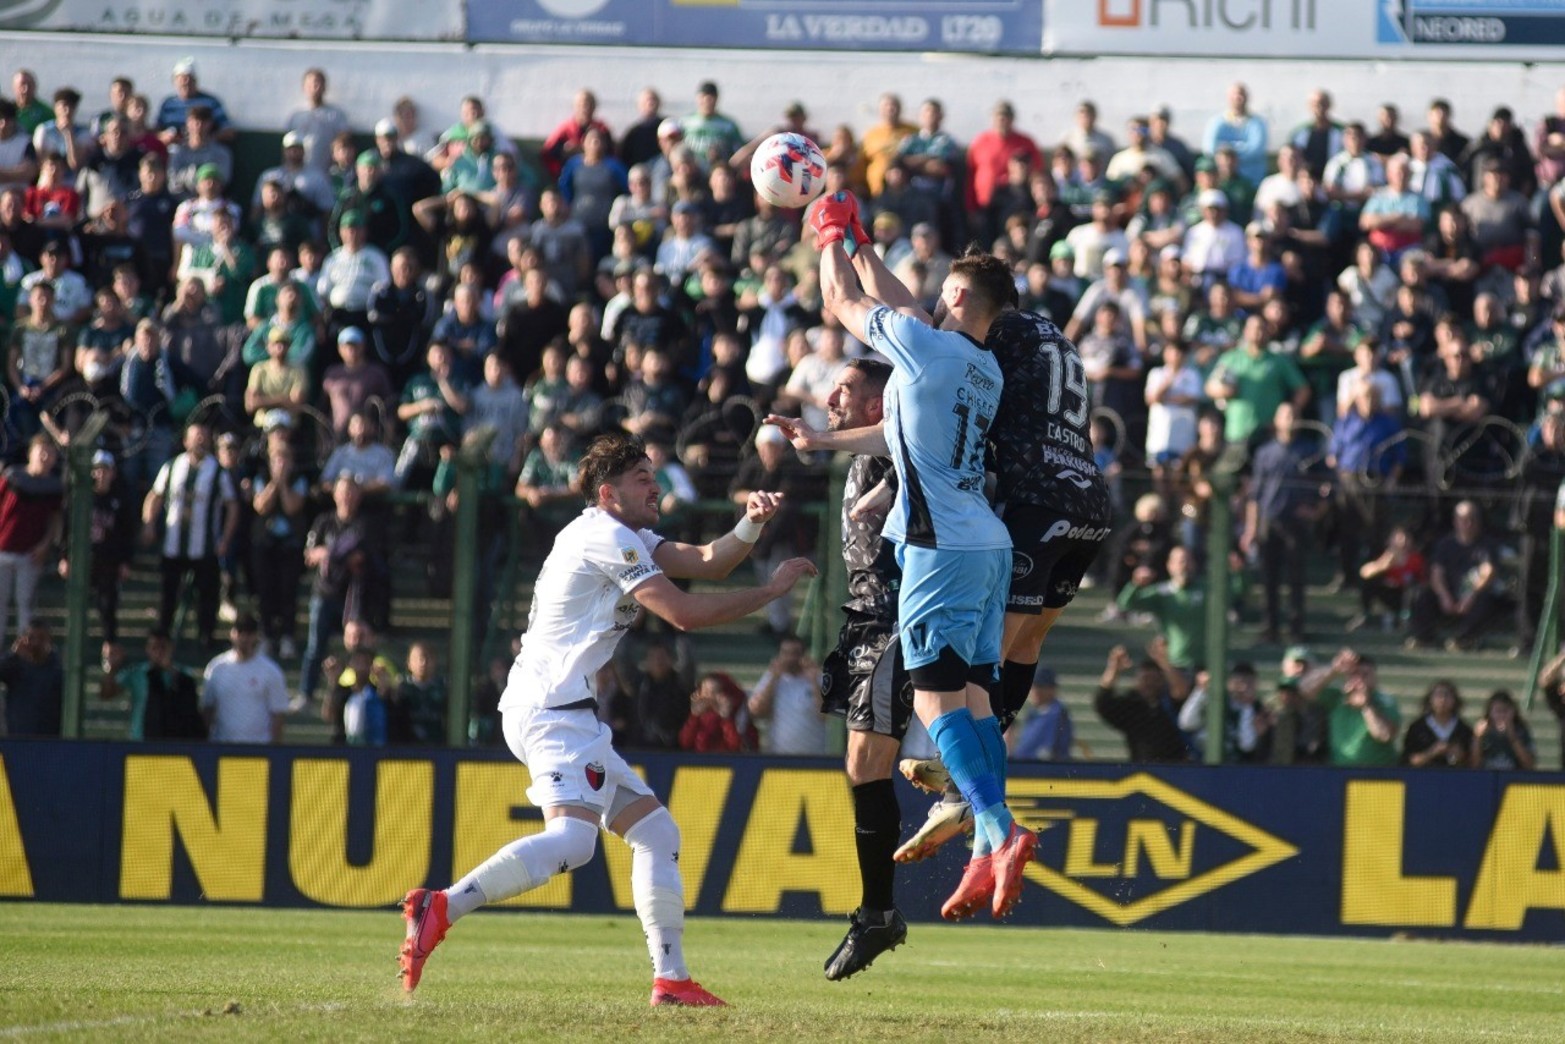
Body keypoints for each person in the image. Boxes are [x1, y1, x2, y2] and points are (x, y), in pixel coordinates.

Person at [396, 432, 815, 1006]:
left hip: (562, 709)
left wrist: (749, 525)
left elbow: (705, 563)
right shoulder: (605, 535)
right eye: (643, 478)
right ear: (607, 492)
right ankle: (440, 906)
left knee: (656, 833)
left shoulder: (624, 534)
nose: (656, 487)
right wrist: (770, 592)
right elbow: (685, 613)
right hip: (551, 708)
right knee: (574, 840)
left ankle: (670, 979)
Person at [767, 196, 1033, 922]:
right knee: (976, 701)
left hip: (938, 548)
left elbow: (838, 300)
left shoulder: (926, 346)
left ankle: (1003, 831)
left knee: (932, 699)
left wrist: (826, 236)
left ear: (954, 297)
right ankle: (983, 846)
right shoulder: (979, 367)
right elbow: (901, 416)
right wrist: (858, 238)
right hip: (988, 545)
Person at [142, 422, 238, 648]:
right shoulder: (172, 466)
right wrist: (148, 524)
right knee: (168, 596)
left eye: (204, 436)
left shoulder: (217, 471)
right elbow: (155, 495)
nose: (200, 441)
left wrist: (225, 538)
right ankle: (163, 636)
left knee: (208, 596)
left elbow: (232, 505)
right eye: (196, 437)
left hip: (204, 546)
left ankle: (206, 637)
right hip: (173, 545)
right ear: (185, 441)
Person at [0, 435, 63, 649]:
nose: (45, 457)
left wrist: (45, 545)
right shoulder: (13, 477)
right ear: (31, 453)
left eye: (50, 453)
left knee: (25, 606)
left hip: (30, 554)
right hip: (3, 550)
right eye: (41, 451)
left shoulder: (53, 487)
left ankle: (24, 652)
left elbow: (55, 519)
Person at [1296, 648, 1399, 767]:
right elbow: (1304, 689)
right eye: (1354, 674)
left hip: (1378, 773)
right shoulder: (1336, 697)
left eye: (1365, 675)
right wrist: (1334, 669)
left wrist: (1366, 706)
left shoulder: (1384, 701)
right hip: (1341, 772)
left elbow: (1384, 735)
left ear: (1374, 678)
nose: (1360, 680)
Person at [100, 629, 205, 741]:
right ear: (148, 649)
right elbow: (107, 694)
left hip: (173, 744)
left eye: (163, 647)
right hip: (142, 742)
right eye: (154, 647)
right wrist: (112, 668)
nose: (159, 652)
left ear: (171, 648)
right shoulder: (138, 674)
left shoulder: (183, 677)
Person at [1093, 643, 1189, 762]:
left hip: (1176, 768)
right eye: (1145, 679)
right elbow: (1103, 702)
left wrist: (1164, 662)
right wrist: (1114, 669)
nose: (1149, 684)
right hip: (1142, 770)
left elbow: (1181, 692)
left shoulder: (1169, 703)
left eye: (1154, 680)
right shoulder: (1132, 707)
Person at [201, 613, 288, 744]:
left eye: (249, 633)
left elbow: (278, 715)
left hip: (258, 751)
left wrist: (273, 751)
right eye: (240, 632)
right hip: (222, 749)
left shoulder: (271, 671)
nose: (244, 638)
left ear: (256, 636)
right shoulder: (216, 668)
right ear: (232, 633)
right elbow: (208, 709)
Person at [1401, 680, 1472, 768]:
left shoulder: (1463, 729)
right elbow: (1409, 760)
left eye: (1447, 695)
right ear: (1430, 699)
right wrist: (1432, 752)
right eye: (1438, 695)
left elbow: (1474, 762)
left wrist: (1460, 755)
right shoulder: (1417, 728)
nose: (1443, 700)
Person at [1008, 665, 1073, 761]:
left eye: (1041, 686)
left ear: (1052, 689)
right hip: (1024, 766)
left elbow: (1046, 752)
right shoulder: (1033, 713)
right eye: (1033, 686)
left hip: (1045, 770)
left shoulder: (1056, 713)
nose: (1035, 691)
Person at [1469, 690, 1536, 770]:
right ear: (1489, 713)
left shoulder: (1521, 731)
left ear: (1513, 712)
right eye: (1497, 711)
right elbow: (1474, 765)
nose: (1501, 715)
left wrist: (1513, 738)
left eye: (1505, 711)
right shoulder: (1483, 732)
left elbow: (1529, 765)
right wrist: (1477, 738)